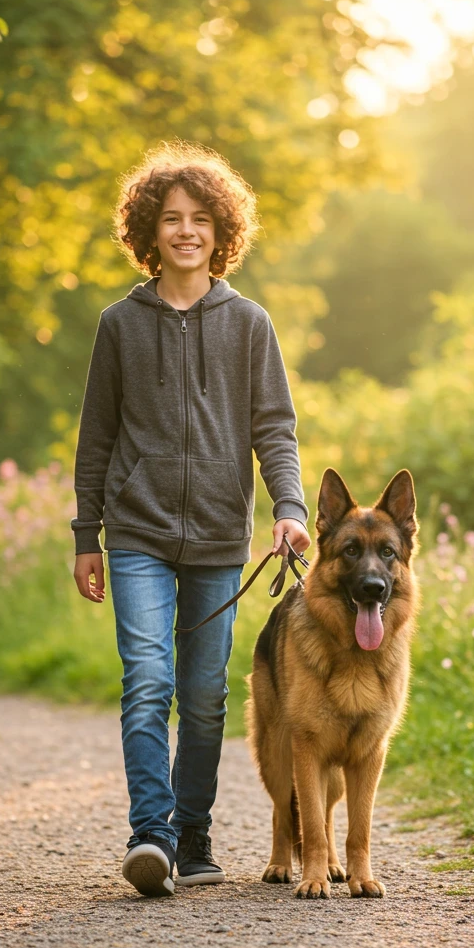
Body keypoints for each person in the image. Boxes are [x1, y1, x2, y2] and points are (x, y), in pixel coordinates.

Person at [71, 141, 311, 898]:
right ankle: (152, 834)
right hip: (136, 532)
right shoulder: (120, 324)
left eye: (200, 219)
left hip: (217, 538)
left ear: (220, 231)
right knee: (147, 680)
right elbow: (96, 437)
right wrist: (87, 537)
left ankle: (195, 831)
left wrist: (291, 508)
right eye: (170, 218)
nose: (185, 231)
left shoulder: (249, 324)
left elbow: (275, 427)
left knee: (206, 695)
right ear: (149, 229)